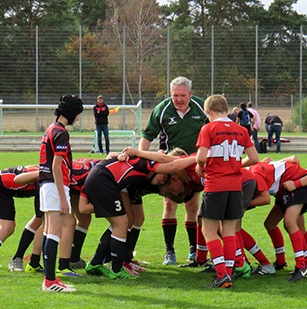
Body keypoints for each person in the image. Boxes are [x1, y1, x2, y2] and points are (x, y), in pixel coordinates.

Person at [78, 154, 197, 279]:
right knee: (121, 222)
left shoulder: (146, 169)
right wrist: (197, 157)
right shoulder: (147, 163)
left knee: (122, 221)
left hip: (105, 180)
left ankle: (97, 263)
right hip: (104, 180)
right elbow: (170, 164)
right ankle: (116, 269)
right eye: (164, 175)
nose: (163, 180)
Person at [139, 76, 207, 265]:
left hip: (194, 166)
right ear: (170, 94)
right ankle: (169, 250)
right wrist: (141, 158)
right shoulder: (162, 110)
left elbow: (214, 129)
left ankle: (194, 248)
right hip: (170, 165)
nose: (179, 99)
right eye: (175, 95)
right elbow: (147, 135)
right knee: (169, 205)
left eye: (182, 95)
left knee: (192, 206)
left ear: (190, 94)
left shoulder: (201, 107)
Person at [195, 94, 259, 288]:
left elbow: (201, 156)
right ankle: (229, 272)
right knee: (230, 230)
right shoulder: (241, 130)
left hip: (215, 185)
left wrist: (200, 166)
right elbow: (254, 158)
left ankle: (222, 274)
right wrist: (237, 166)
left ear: (209, 112)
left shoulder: (208, 128)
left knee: (209, 230)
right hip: (235, 186)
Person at [39, 95, 84, 292]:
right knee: (54, 233)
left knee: (49, 231)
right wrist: (63, 197)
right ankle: (49, 282)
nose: (78, 119)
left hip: (46, 185)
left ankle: (50, 278)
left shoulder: (50, 128)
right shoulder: (61, 133)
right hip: (55, 185)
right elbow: (57, 166)